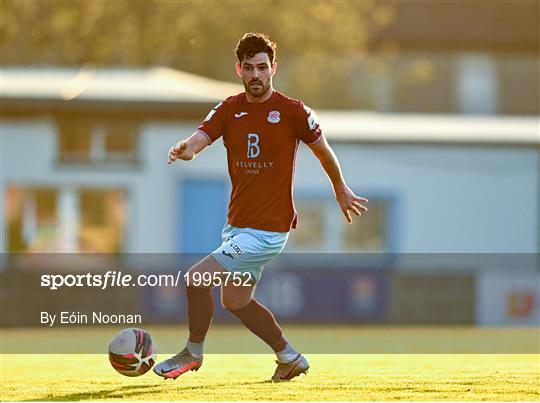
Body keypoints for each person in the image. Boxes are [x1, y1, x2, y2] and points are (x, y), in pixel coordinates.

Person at [153, 32, 368, 382]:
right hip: (238, 226)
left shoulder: (294, 111)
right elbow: (199, 140)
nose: (256, 74)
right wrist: (185, 148)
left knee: (195, 279)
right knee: (235, 301)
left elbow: (324, 151)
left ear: (273, 69)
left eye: (263, 68)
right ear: (238, 69)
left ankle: (192, 353)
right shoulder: (228, 108)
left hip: (269, 230)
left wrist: (340, 188)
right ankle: (289, 357)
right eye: (249, 67)